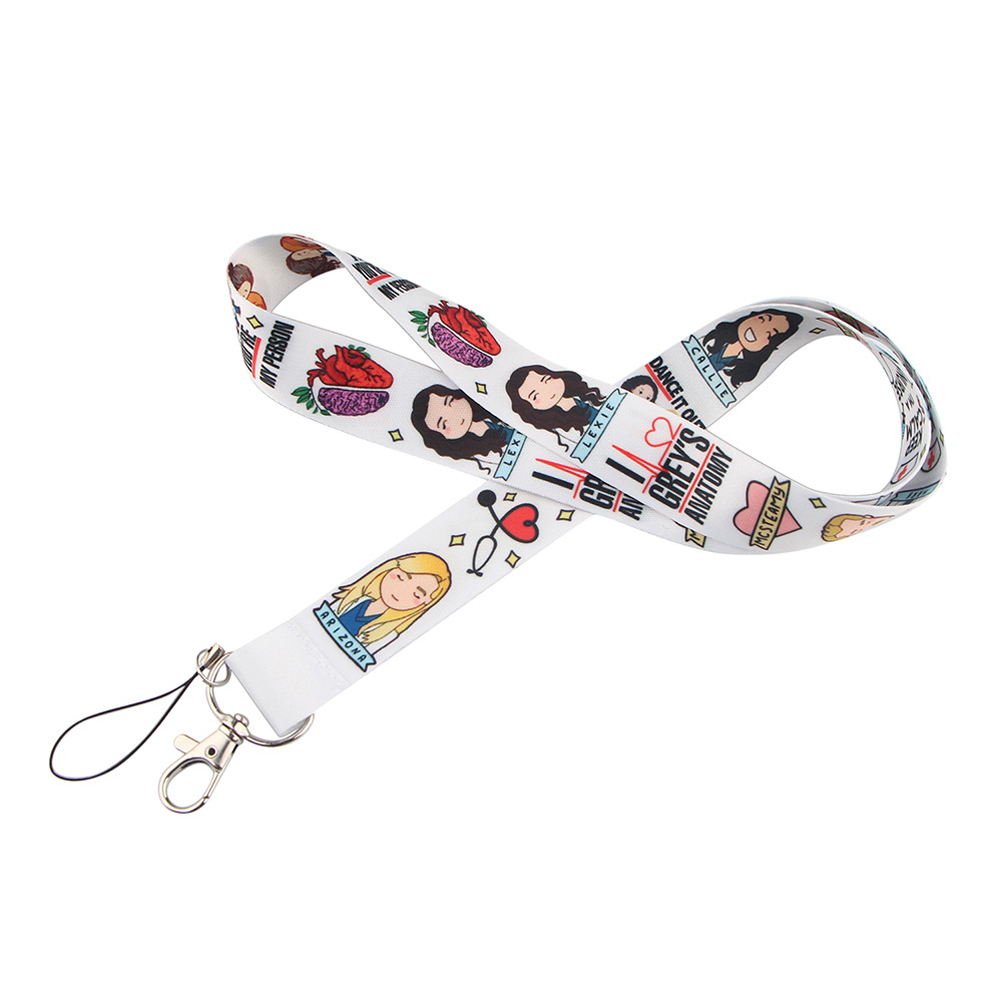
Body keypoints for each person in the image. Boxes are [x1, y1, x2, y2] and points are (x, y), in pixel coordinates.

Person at [332, 552, 451, 653]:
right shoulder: (353, 599)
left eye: (417, 594)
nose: (401, 591)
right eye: (400, 577)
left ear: (426, 602)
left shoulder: (387, 632)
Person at [411, 385, 513, 469]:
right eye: (444, 425)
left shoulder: (493, 410)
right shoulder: (481, 459)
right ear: (441, 438)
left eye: (450, 401)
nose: (454, 415)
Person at [701, 310, 803, 388]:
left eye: (770, 333)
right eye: (762, 319)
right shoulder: (707, 340)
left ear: (769, 345)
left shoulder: (742, 372)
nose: (759, 330)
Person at [505, 365, 606, 438]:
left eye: (547, 379)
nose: (547, 390)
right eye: (535, 396)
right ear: (530, 407)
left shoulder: (587, 396)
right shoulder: (560, 430)